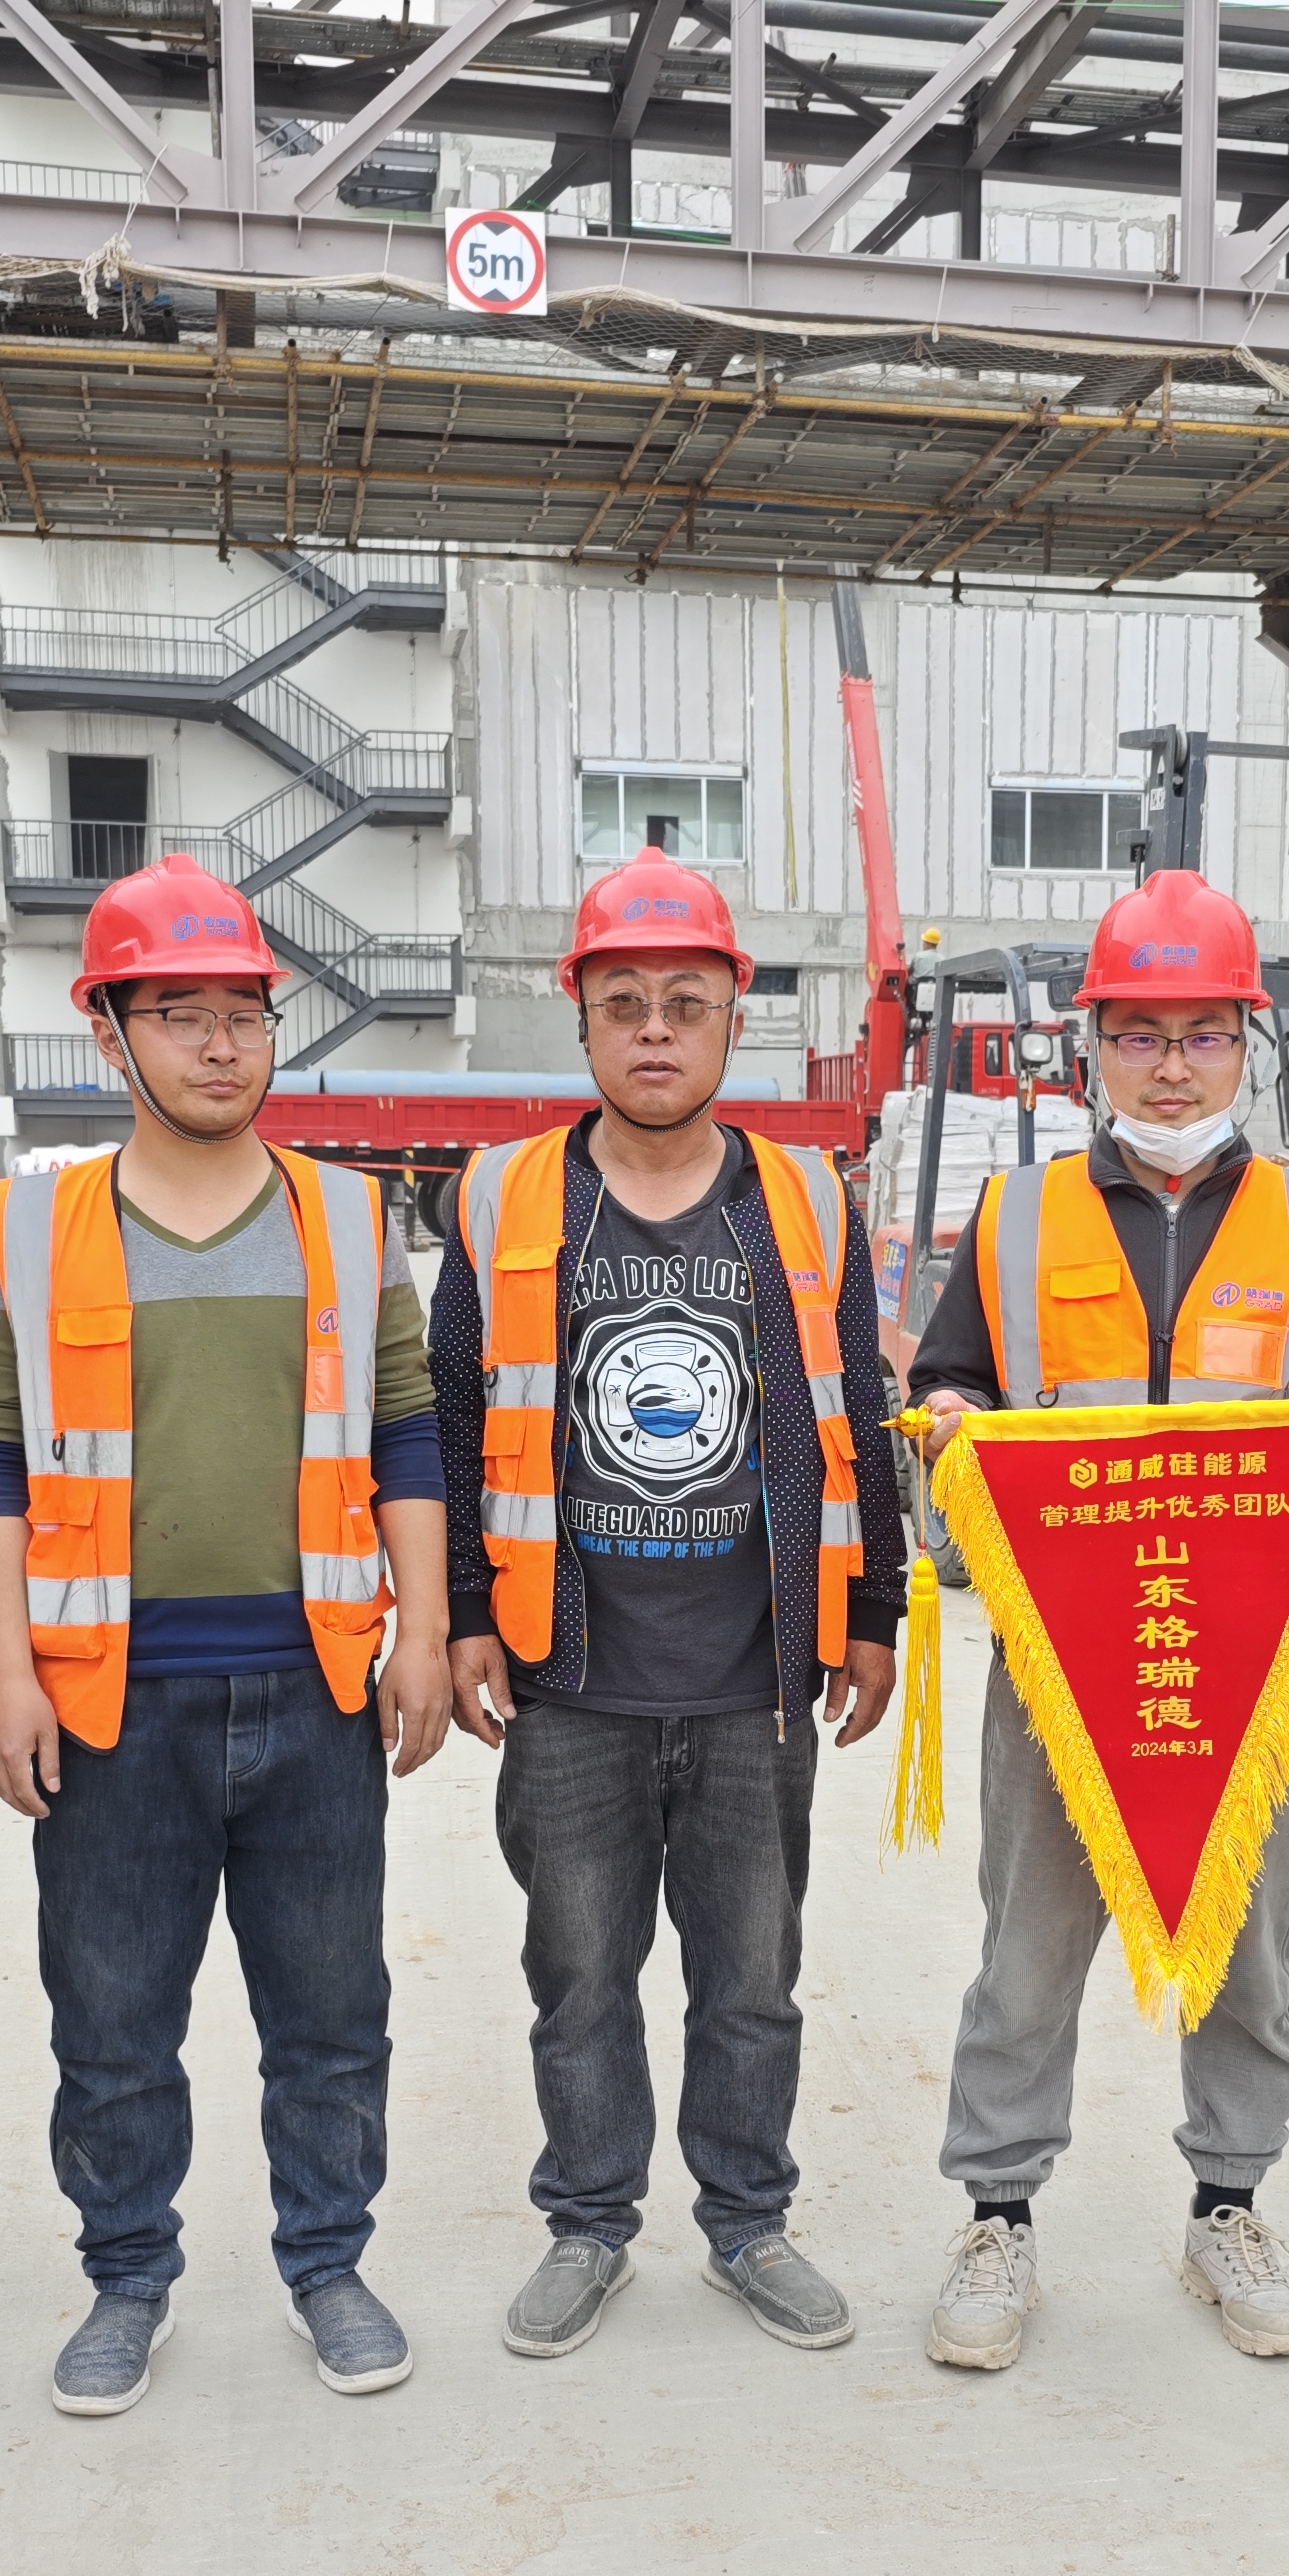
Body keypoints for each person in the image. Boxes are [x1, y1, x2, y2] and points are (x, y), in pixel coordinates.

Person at [904, 868, 1289, 2370]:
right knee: (1029, 1947)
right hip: (1058, 1664)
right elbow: (949, 1381)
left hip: (1242, 1670)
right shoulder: (1015, 1221)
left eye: (1201, 1034)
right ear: (1092, 1049)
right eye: (1138, 1035)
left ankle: (1228, 2208)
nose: (1171, 1067)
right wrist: (952, 1424)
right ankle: (999, 2215)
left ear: (1247, 1045)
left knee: (1246, 1948)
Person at [0, 855, 452, 2412]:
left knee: (331, 2015)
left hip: (316, 1689)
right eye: (178, 1014)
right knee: (113, 2023)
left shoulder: (348, 1218)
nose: (222, 1044)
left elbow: (406, 1430)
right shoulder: (33, 1229)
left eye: (243, 1011)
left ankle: (328, 2261)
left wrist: (425, 1631)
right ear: (109, 1032)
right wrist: (11, 1671)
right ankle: (129, 2275)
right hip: (109, 1703)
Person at [431, 850, 908, 2362]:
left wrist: (876, 1610)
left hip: (755, 1671)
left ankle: (749, 2222)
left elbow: (859, 1407)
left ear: (730, 1021)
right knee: (579, 1977)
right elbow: (455, 1421)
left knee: (751, 1980)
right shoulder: (502, 1195)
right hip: (570, 1674)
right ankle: (588, 2223)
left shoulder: (803, 1198)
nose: (655, 1030)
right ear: (579, 1016)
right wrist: (462, 1616)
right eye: (625, 1002)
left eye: (685, 1003)